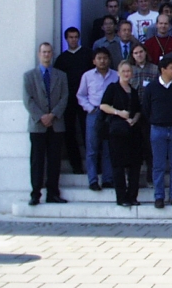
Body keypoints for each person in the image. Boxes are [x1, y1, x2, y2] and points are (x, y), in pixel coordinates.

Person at [23, 43, 69, 206]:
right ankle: (35, 193)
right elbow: (28, 100)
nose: (46, 55)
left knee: (54, 160)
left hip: (56, 124)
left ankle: (53, 193)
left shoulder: (61, 76)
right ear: (39, 54)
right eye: (44, 52)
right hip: (38, 125)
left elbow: (64, 98)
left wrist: (53, 115)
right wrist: (41, 116)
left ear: (52, 54)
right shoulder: (29, 76)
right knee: (37, 160)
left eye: (49, 52)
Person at [142, 57, 172, 209]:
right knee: (158, 165)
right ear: (163, 70)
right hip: (157, 129)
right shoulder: (151, 88)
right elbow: (146, 109)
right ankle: (159, 196)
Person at [99, 61, 142, 207]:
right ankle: (122, 197)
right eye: (123, 71)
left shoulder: (134, 91)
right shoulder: (112, 88)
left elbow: (138, 110)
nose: (126, 74)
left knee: (134, 166)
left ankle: (132, 196)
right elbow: (103, 105)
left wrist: (133, 119)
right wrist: (119, 113)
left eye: (128, 71)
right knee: (118, 166)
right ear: (118, 73)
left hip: (132, 132)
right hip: (117, 132)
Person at [77, 47, 118, 191]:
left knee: (108, 148)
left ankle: (107, 179)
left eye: (105, 58)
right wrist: (90, 108)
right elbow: (81, 95)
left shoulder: (116, 75)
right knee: (92, 148)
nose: (102, 61)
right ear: (94, 61)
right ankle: (93, 180)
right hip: (94, 113)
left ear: (109, 60)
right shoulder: (87, 76)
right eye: (99, 58)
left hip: (110, 115)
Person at [53, 27, 91, 174]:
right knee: (70, 133)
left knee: (87, 132)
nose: (73, 39)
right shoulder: (61, 59)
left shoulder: (88, 54)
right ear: (66, 39)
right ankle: (76, 166)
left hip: (86, 100)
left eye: (76, 37)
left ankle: (94, 165)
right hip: (68, 101)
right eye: (70, 37)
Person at [128, 43, 158, 184]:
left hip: (149, 112)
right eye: (136, 53)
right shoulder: (130, 70)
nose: (139, 55)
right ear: (132, 55)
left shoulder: (154, 69)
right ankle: (133, 177)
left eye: (141, 52)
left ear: (145, 52)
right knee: (133, 146)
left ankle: (151, 177)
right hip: (132, 113)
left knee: (149, 146)